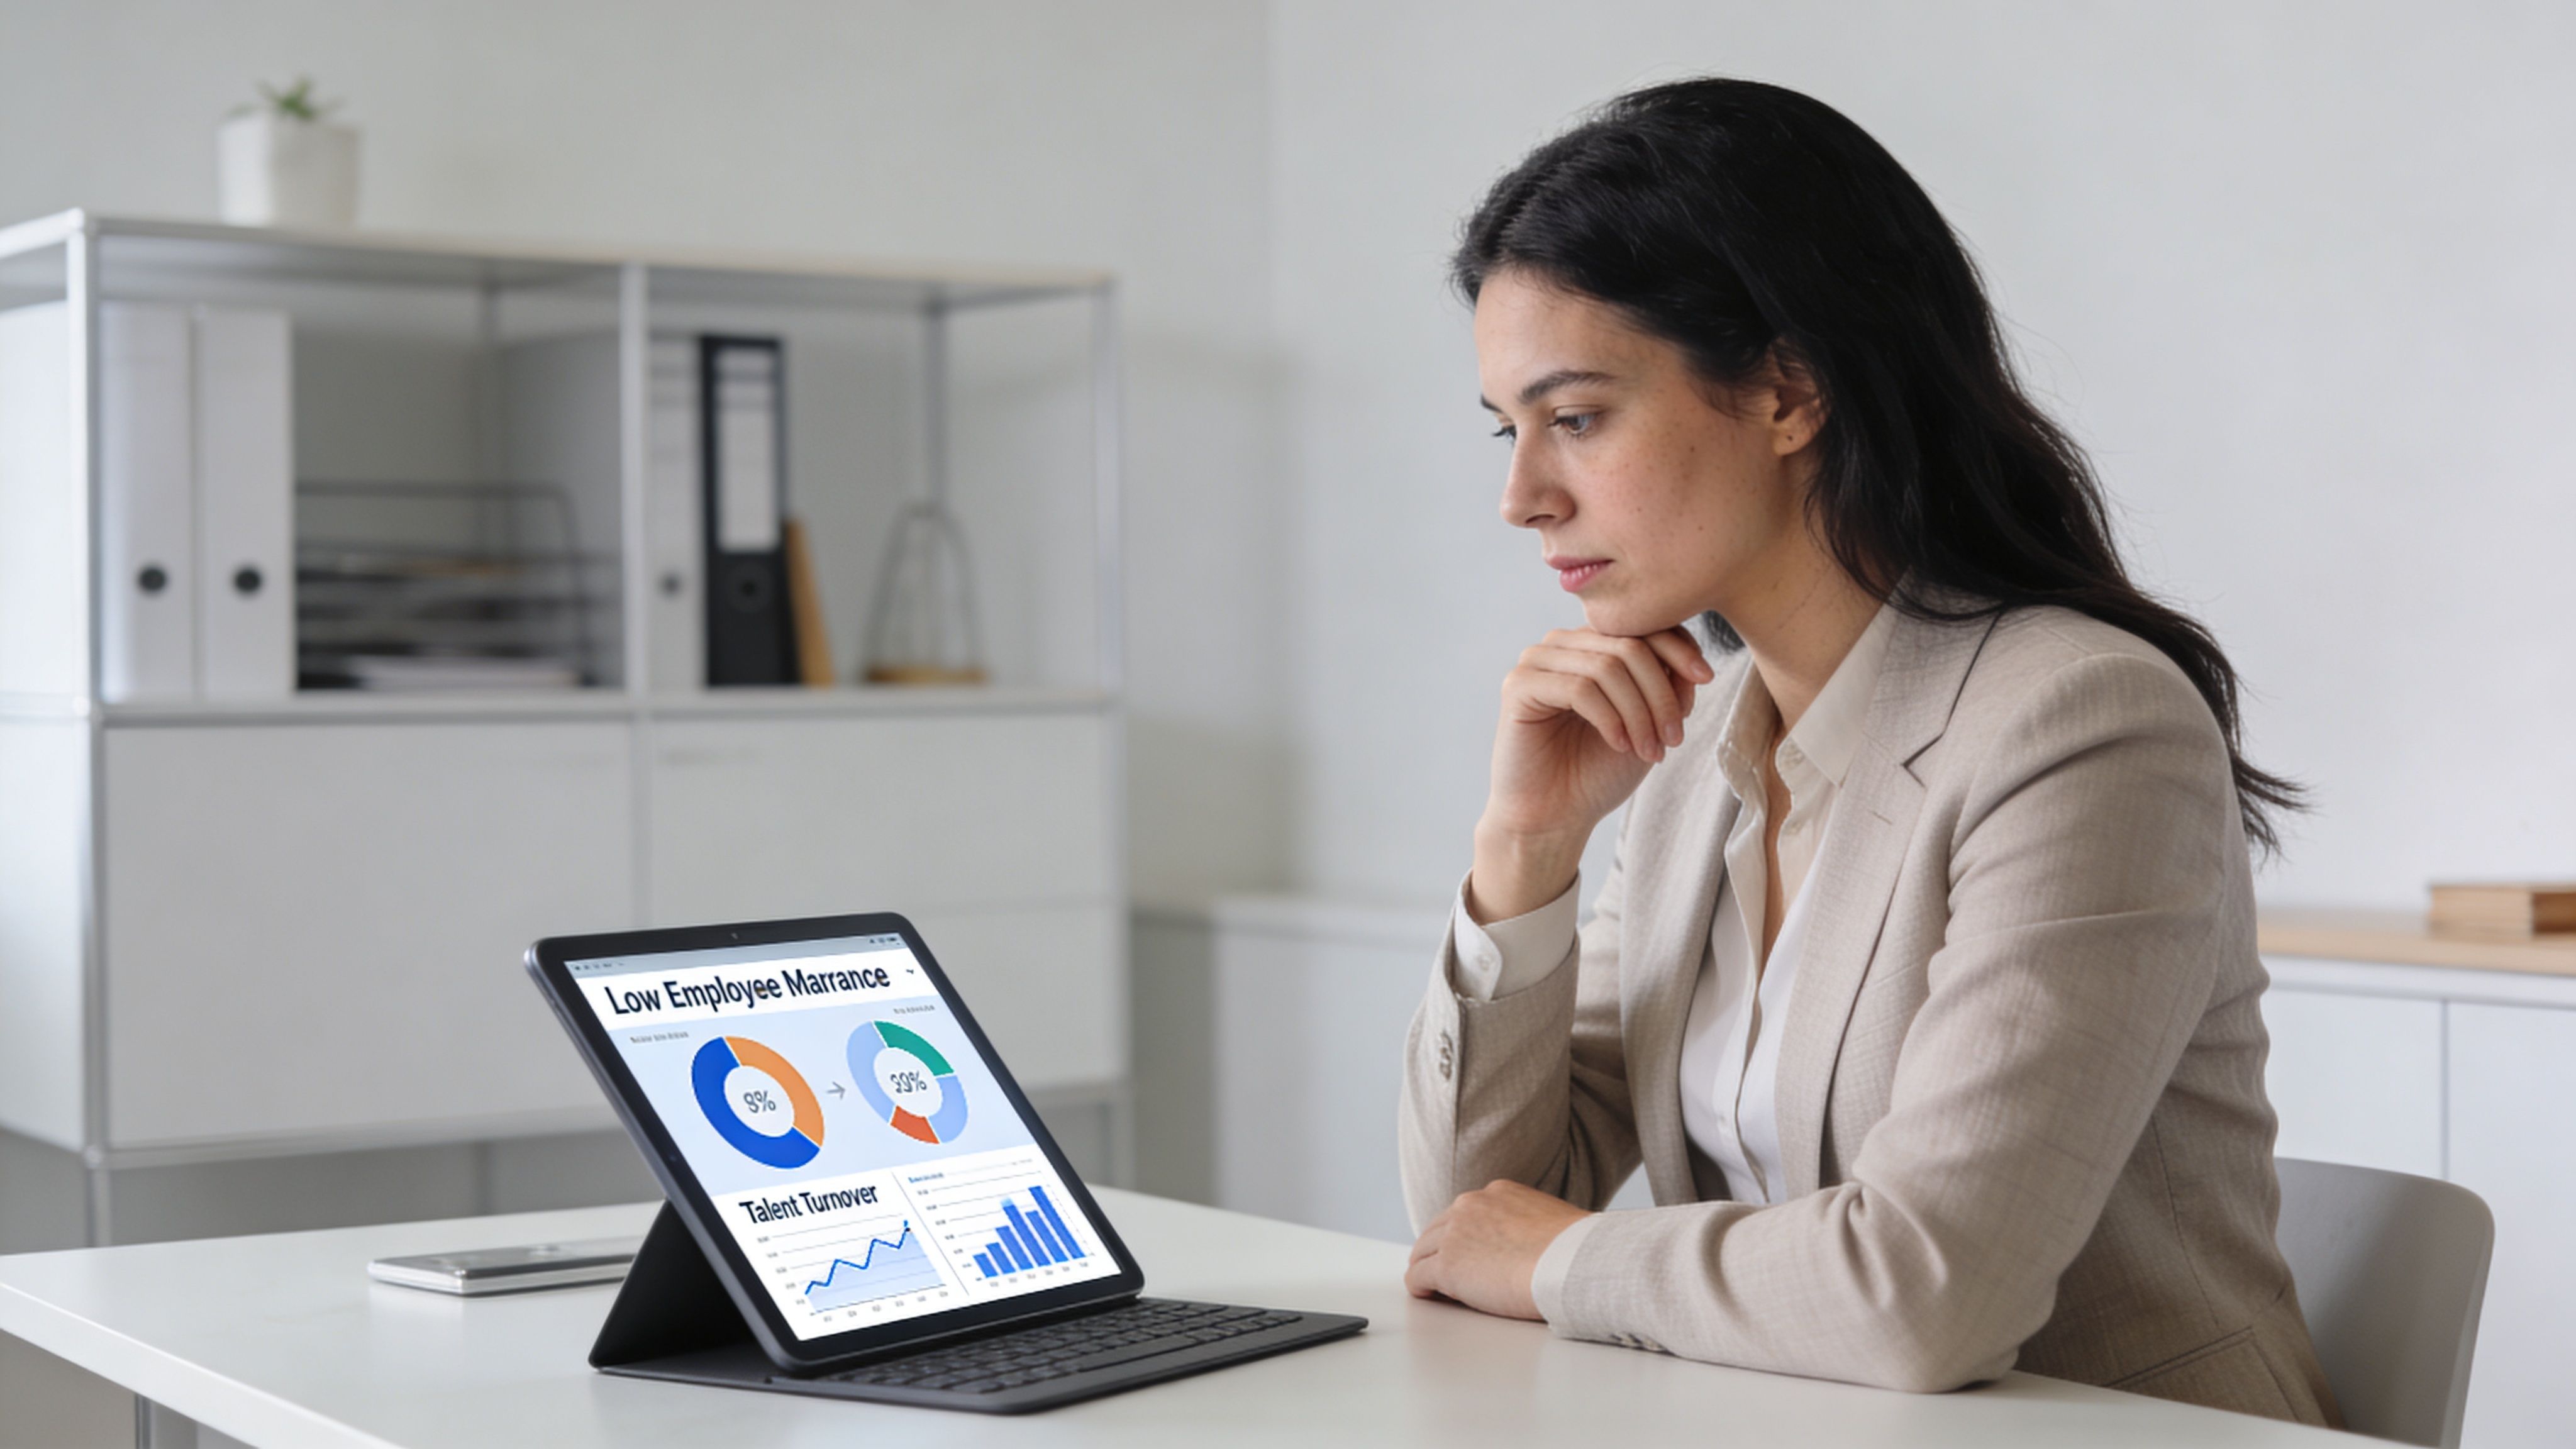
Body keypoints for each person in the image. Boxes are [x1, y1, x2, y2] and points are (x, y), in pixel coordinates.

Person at [1394, 78, 2338, 1427]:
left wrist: (1559, 1256)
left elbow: (1924, 1289)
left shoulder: (2079, 724)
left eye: (1577, 417)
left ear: (1787, 390)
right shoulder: (1693, 742)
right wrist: (1524, 856)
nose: (1520, 496)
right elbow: (1462, 1221)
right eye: (1509, 429)